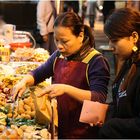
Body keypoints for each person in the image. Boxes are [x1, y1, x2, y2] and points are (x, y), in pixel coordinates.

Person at [12, 12, 110, 139]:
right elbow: (38, 73)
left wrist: (65, 89)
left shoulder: (96, 61)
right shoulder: (59, 56)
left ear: (80, 35)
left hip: (84, 132)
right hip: (61, 126)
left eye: (64, 41)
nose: (59, 46)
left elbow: (99, 98)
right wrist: (24, 81)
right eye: (56, 40)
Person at [98, 8, 140, 138]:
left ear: (134, 37)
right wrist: (104, 112)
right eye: (109, 40)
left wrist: (110, 126)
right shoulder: (129, 61)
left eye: (115, 40)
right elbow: (120, 101)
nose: (111, 45)